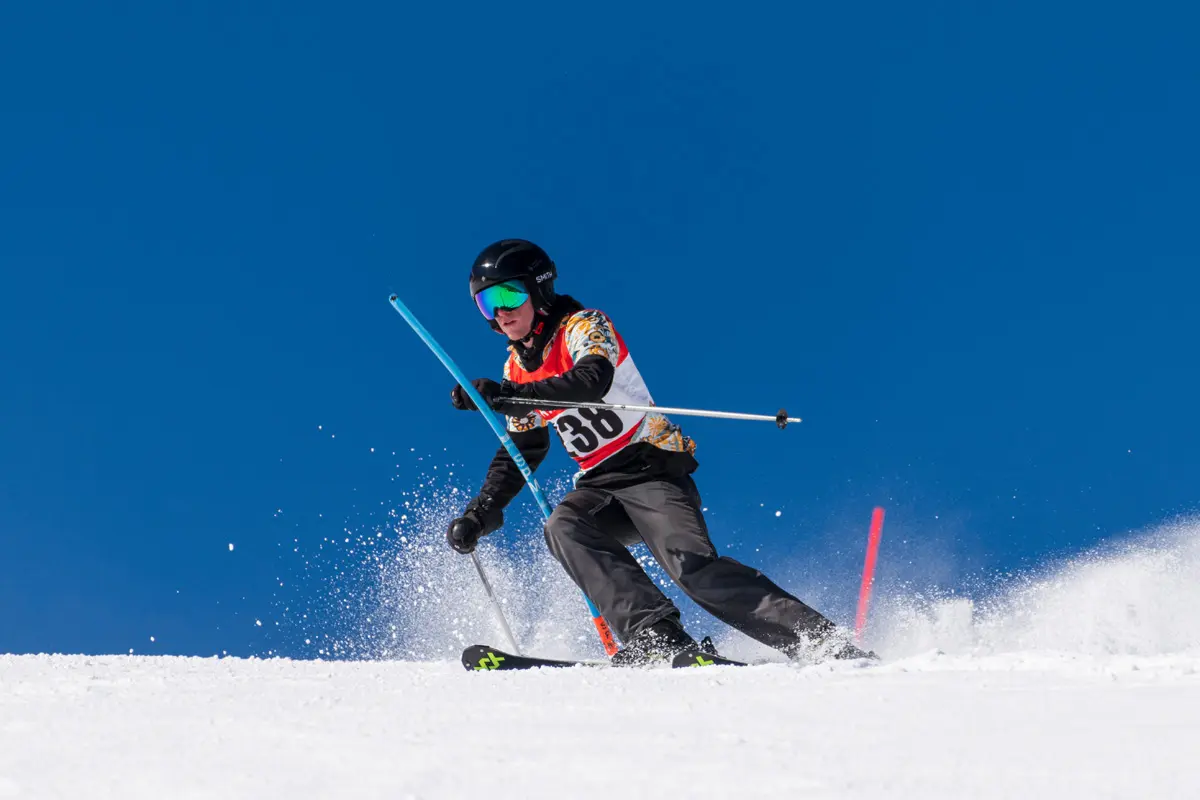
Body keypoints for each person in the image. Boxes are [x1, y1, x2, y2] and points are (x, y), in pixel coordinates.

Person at [446, 239, 875, 666]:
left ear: (539, 289)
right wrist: (480, 512)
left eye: (508, 294)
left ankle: (816, 640)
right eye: (487, 303)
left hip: (649, 466)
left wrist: (513, 395)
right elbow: (523, 449)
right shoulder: (515, 367)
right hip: (599, 484)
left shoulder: (583, 326)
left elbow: (591, 379)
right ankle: (656, 633)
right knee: (564, 526)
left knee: (693, 569)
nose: (500, 312)